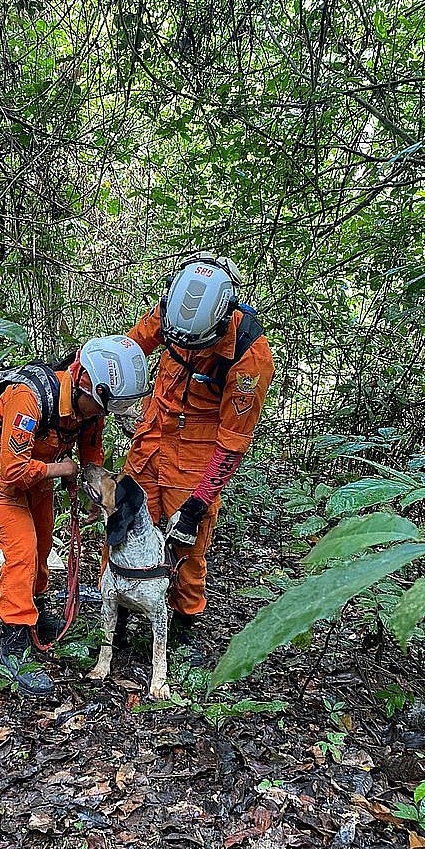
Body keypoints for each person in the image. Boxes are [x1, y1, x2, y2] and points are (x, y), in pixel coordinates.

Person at [0, 336, 150, 696]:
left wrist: (92, 487)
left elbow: (91, 450)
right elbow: (13, 471)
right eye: (97, 406)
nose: (98, 415)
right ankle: (14, 643)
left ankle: (35, 609)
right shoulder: (28, 398)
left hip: (39, 471)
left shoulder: (93, 406)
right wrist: (61, 469)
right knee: (23, 551)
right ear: (82, 382)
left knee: (44, 545)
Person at [125, 252, 274, 660]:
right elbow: (129, 348)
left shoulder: (250, 358)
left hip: (195, 460)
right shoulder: (172, 311)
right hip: (149, 442)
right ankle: (118, 618)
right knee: (124, 527)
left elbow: (232, 441)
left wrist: (197, 504)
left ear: (224, 317)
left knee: (186, 551)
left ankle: (184, 624)